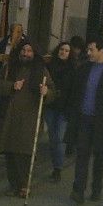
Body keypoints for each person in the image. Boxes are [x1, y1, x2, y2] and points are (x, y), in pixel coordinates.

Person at [0, 40, 51, 197]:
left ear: (34, 53)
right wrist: (11, 86)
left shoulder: (41, 70)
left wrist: (46, 92)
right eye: (23, 50)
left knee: (24, 153)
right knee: (10, 152)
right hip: (10, 116)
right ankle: (14, 185)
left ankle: (24, 184)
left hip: (29, 117)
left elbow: (53, 92)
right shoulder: (9, 68)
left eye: (29, 51)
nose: (26, 54)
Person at [69, 38, 103, 205]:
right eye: (88, 50)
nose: (88, 53)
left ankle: (96, 188)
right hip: (84, 117)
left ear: (101, 50)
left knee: (99, 155)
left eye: (91, 49)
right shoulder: (84, 68)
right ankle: (78, 190)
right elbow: (76, 91)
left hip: (102, 120)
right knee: (82, 153)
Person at [44, 42, 75, 182]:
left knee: (59, 139)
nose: (63, 52)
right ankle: (55, 164)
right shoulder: (50, 67)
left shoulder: (73, 69)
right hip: (51, 106)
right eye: (61, 49)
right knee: (52, 138)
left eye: (67, 51)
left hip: (64, 109)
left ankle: (58, 168)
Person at [0, 23, 25, 150]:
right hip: (3, 83)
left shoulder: (25, 46)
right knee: (0, 116)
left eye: (19, 31)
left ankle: (11, 144)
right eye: (15, 31)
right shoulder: (2, 45)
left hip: (17, 85)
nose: (17, 34)